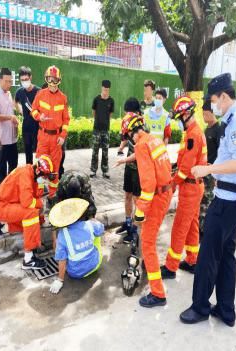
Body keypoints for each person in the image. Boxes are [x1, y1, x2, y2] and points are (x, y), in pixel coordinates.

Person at [180, 73, 236, 327]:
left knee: (208, 256)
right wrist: (214, 166)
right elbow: (232, 159)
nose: (214, 106)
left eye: (214, 101)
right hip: (233, 200)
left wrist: (208, 170)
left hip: (227, 202)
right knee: (226, 255)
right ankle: (226, 310)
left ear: (224, 96)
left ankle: (200, 307)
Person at [121, 114, 173, 307]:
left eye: (128, 136)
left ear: (133, 132)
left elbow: (148, 183)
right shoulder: (155, 140)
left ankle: (158, 294)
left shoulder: (142, 146)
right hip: (166, 193)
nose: (129, 140)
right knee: (150, 236)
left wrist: (140, 210)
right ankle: (150, 267)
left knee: (148, 244)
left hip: (156, 197)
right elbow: (166, 167)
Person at [161, 96, 207, 279]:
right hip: (195, 186)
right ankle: (192, 260)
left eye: (180, 118)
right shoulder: (192, 132)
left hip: (190, 187)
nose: (179, 122)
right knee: (192, 224)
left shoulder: (193, 135)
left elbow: (185, 170)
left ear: (187, 114)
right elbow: (183, 163)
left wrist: (171, 185)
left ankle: (171, 267)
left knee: (180, 226)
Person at [0, 155, 56, 270]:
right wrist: (41, 205)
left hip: (8, 205)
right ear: (37, 170)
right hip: (1, 207)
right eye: (44, 177)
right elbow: (27, 202)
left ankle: (33, 247)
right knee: (30, 213)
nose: (45, 180)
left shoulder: (33, 174)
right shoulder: (25, 174)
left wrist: (40, 220)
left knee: (34, 215)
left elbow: (36, 195)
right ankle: (28, 259)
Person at [31, 65, 70, 205]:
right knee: (40, 167)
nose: (52, 82)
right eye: (50, 79)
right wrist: (38, 116)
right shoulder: (40, 94)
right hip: (42, 136)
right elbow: (33, 110)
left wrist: (63, 136)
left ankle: (52, 198)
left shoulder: (63, 98)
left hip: (56, 139)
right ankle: (38, 198)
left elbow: (66, 119)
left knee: (54, 169)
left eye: (55, 79)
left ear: (58, 80)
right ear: (47, 79)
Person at [48, 198, 104, 294]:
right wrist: (94, 220)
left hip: (76, 273)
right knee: (97, 235)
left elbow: (62, 260)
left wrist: (60, 280)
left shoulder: (62, 235)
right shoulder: (89, 224)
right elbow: (101, 230)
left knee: (63, 253)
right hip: (95, 265)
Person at [115, 98, 141, 243]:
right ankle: (128, 223)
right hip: (129, 168)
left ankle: (135, 231)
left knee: (138, 200)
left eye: (129, 113)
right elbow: (125, 137)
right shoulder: (130, 125)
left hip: (139, 170)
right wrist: (120, 148)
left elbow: (140, 153)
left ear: (136, 113)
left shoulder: (142, 128)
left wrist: (124, 159)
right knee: (127, 196)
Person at [199, 98, 222, 239]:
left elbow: (221, 154)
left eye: (204, 113)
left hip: (212, 174)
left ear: (211, 112)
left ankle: (205, 232)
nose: (203, 115)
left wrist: (217, 172)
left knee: (206, 203)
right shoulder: (207, 129)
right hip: (204, 171)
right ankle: (201, 229)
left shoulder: (218, 129)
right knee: (202, 202)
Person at [0, 67, 19, 182]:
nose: (9, 84)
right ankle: (3, 193)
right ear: (0, 80)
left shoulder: (8, 93)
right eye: (7, 81)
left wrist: (15, 123)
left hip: (12, 138)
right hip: (2, 139)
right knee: (1, 169)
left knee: (14, 166)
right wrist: (11, 117)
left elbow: (11, 110)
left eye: (11, 81)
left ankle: (11, 189)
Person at [15, 66, 40, 165]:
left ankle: (40, 174)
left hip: (38, 127)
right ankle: (29, 173)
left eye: (26, 79)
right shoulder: (20, 92)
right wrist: (21, 111)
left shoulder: (39, 91)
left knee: (39, 153)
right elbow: (15, 101)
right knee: (28, 153)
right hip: (26, 127)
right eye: (22, 80)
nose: (24, 81)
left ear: (31, 78)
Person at [90, 80, 114, 179]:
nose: (105, 92)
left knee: (105, 151)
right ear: (101, 88)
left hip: (106, 130)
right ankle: (93, 170)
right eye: (104, 89)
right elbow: (93, 112)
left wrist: (105, 123)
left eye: (107, 90)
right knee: (95, 151)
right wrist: (98, 120)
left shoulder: (111, 101)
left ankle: (105, 171)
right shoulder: (96, 99)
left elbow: (110, 115)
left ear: (109, 90)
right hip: (96, 130)